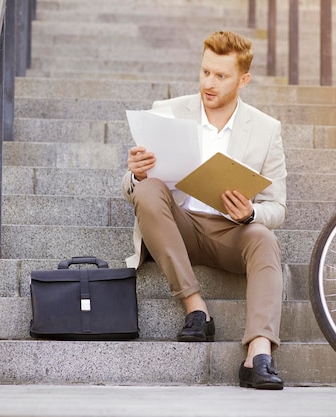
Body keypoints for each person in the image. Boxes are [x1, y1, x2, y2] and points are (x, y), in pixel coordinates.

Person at [121, 31, 287, 390]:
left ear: (244, 80)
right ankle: (196, 309)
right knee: (148, 190)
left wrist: (250, 214)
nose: (209, 83)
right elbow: (129, 190)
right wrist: (136, 173)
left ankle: (258, 354)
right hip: (177, 227)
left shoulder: (265, 129)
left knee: (264, 238)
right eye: (205, 72)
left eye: (221, 76)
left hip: (232, 232)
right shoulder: (167, 111)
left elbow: (277, 206)